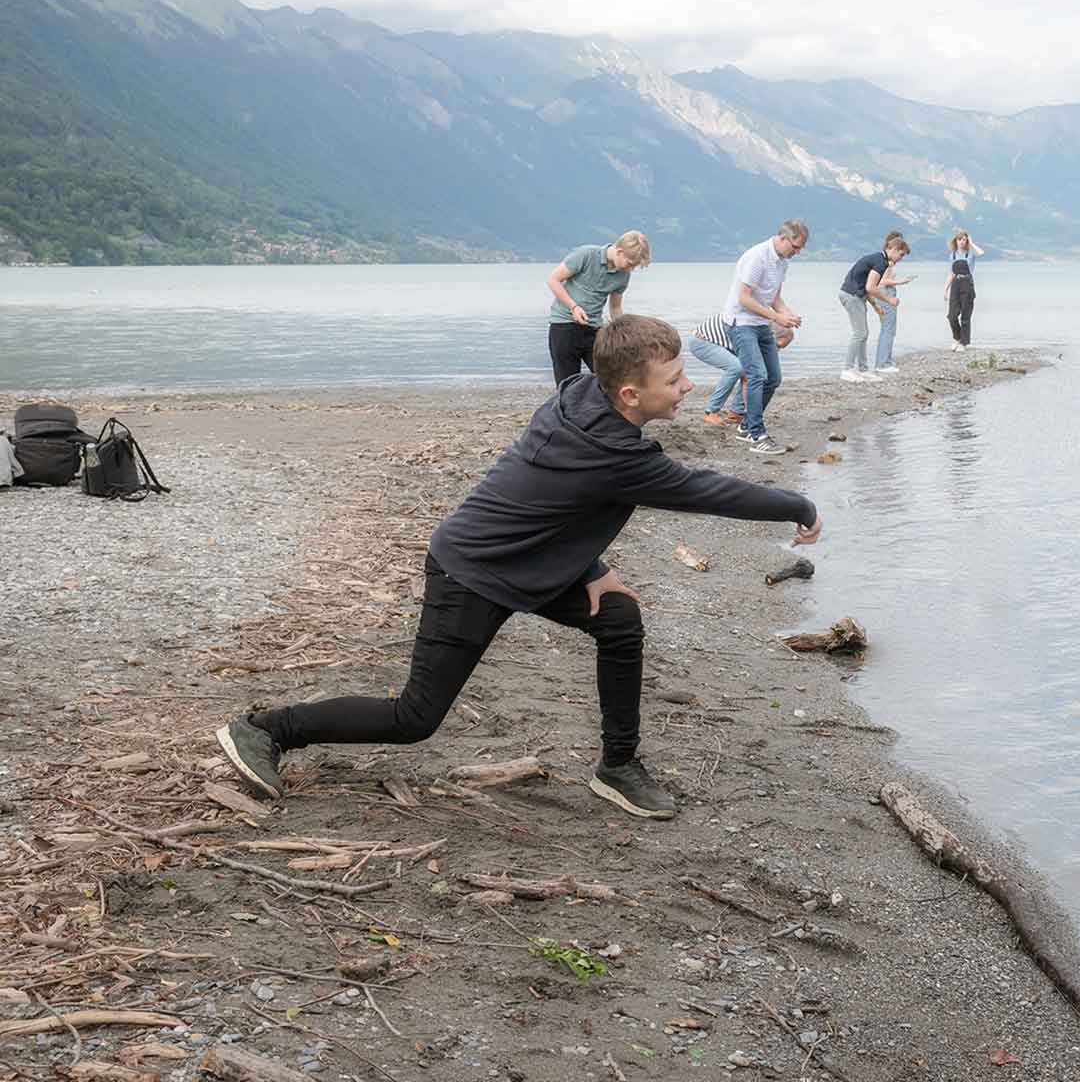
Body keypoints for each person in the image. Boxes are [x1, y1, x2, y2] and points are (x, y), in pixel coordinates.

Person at [214, 315, 823, 822]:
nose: (687, 386)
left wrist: (589, 568)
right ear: (630, 394)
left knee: (618, 618)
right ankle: (268, 729)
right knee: (413, 720)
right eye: (675, 378)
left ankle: (617, 765)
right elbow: (708, 491)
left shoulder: (582, 396)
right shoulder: (616, 454)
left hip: (533, 564)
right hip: (472, 573)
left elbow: (553, 506)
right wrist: (796, 504)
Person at [724, 219, 808, 455]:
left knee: (773, 378)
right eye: (796, 246)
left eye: (801, 248)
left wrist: (788, 314)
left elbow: (774, 297)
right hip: (740, 323)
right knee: (756, 375)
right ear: (783, 238)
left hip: (760, 323)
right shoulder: (757, 258)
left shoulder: (782, 262)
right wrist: (776, 318)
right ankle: (757, 435)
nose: (798, 252)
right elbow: (744, 298)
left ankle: (745, 426)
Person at [546, 231, 650, 386]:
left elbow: (615, 308)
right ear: (619, 252)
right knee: (566, 385)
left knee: (610, 379)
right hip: (563, 326)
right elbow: (553, 279)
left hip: (594, 330)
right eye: (630, 264)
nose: (631, 269)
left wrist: (625, 333)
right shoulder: (586, 255)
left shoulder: (623, 275)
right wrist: (573, 307)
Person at [687, 314, 791, 425]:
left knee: (750, 370)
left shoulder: (761, 326)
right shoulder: (752, 330)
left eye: (781, 348)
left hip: (724, 342)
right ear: (771, 335)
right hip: (702, 341)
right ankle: (711, 412)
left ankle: (736, 413)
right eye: (777, 346)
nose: (777, 351)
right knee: (736, 367)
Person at [838, 232, 911, 383]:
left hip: (856, 295)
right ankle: (847, 369)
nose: (900, 258)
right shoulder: (881, 262)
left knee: (863, 333)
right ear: (894, 249)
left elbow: (866, 286)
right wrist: (889, 299)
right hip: (851, 295)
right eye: (901, 254)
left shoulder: (879, 259)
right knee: (860, 333)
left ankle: (863, 370)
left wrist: (876, 306)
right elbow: (871, 287)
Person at [871, 250, 913, 374]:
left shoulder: (886, 261)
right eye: (901, 253)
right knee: (888, 329)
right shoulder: (887, 262)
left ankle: (885, 361)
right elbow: (882, 281)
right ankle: (882, 364)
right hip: (886, 294)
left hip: (885, 294)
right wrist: (901, 281)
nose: (901, 256)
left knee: (889, 329)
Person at [944, 229, 986, 350]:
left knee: (965, 317)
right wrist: (945, 290)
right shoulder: (952, 255)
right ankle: (957, 338)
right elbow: (951, 274)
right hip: (955, 285)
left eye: (964, 239)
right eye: (959, 239)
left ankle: (963, 343)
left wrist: (971, 244)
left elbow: (981, 253)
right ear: (956, 241)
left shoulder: (971, 254)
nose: (962, 242)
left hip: (967, 285)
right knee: (951, 316)